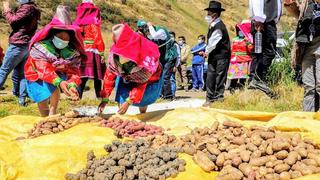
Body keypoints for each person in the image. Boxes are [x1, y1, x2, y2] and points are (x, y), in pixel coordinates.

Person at [24, 5, 85, 117]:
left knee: (54, 90)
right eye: (60, 37)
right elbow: (44, 69)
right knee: (41, 95)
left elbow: (74, 71)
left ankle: (52, 113)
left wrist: (71, 85)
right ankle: (45, 115)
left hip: (56, 73)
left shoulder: (71, 52)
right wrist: (59, 82)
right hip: (36, 73)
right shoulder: (41, 48)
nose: (63, 40)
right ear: (53, 35)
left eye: (66, 38)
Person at [98, 24, 163, 115]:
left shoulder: (146, 59)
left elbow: (141, 84)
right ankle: (121, 117)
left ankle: (143, 114)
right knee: (122, 95)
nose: (122, 57)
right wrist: (105, 98)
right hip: (128, 77)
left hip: (149, 79)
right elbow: (109, 76)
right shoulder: (115, 57)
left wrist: (129, 101)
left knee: (143, 101)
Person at [0, 0, 40, 106]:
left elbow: (13, 21)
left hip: (17, 45)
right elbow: (20, 23)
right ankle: (21, 100)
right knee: (22, 74)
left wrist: (6, 8)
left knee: (3, 71)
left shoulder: (27, 8)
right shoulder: (33, 8)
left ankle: (21, 98)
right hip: (26, 45)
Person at [285, 0, 320, 111]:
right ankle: (308, 119)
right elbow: (299, 15)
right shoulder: (307, 2)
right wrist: (291, 5)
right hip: (306, 45)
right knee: (308, 86)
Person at [137, 20, 178, 100]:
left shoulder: (160, 31)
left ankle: (168, 96)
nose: (146, 34)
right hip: (162, 58)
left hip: (170, 56)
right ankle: (160, 95)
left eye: (146, 31)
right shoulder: (148, 35)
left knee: (165, 76)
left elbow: (155, 35)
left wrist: (150, 26)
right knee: (159, 76)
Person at [248, 0, 282, 96]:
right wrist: (259, 19)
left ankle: (257, 79)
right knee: (268, 52)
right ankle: (257, 78)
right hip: (263, 22)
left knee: (261, 52)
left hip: (267, 21)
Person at [74, 0, 106, 99]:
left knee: (83, 75)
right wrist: (101, 53)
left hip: (82, 51)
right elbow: (98, 38)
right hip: (93, 51)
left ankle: (78, 97)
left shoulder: (77, 23)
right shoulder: (93, 23)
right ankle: (99, 97)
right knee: (97, 76)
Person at [202, 1, 231, 107]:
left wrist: (206, 51)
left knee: (220, 77)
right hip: (214, 56)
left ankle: (218, 98)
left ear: (214, 14)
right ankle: (209, 98)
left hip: (222, 56)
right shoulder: (213, 25)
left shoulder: (219, 26)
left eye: (209, 13)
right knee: (210, 76)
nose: (207, 15)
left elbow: (213, 42)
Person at [227, 21, 253, 93]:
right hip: (235, 61)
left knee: (242, 78)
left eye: (241, 31)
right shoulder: (234, 40)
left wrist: (248, 42)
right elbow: (232, 49)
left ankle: (242, 93)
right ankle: (232, 90)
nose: (240, 32)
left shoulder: (248, 39)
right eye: (239, 30)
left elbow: (251, 50)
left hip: (244, 61)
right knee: (233, 77)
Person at [169, 31, 181, 98]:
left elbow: (178, 56)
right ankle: (167, 94)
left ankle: (173, 94)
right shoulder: (166, 44)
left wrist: (176, 66)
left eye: (172, 36)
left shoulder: (176, 45)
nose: (171, 38)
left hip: (173, 65)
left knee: (172, 79)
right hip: (166, 65)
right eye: (169, 36)